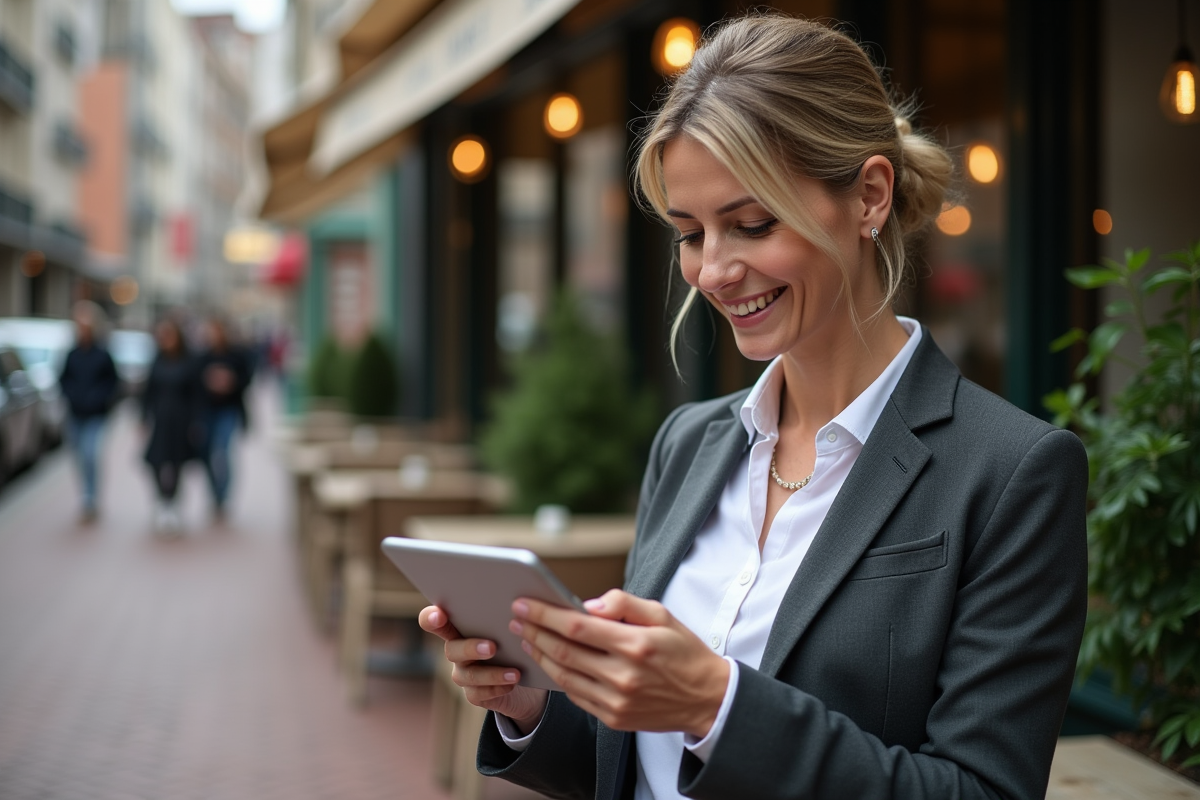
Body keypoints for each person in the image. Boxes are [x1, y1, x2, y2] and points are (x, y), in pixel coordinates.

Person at [418, 14, 1089, 800]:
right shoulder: (691, 442)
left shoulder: (1012, 472)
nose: (713, 270)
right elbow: (638, 764)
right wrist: (532, 703)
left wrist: (717, 704)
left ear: (869, 196)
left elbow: (984, 791)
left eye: (751, 224)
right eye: (690, 233)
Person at [58, 302, 121, 523]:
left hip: (96, 415)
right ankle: (85, 493)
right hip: (75, 414)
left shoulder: (103, 354)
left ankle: (91, 498)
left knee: (90, 454)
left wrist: (99, 398)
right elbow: (63, 379)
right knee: (79, 457)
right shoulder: (72, 354)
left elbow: (113, 383)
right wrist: (71, 394)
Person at [142, 318, 203, 534]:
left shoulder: (189, 361)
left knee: (176, 463)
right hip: (160, 420)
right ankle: (162, 500)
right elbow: (147, 392)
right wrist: (143, 418)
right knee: (155, 461)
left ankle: (173, 504)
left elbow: (197, 394)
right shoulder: (157, 360)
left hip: (181, 421)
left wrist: (196, 422)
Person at [197, 317, 250, 520]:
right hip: (208, 411)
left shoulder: (236, 355)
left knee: (224, 451)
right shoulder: (203, 356)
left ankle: (224, 496)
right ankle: (214, 494)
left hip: (229, 410)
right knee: (208, 453)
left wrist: (230, 381)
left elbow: (247, 377)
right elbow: (194, 382)